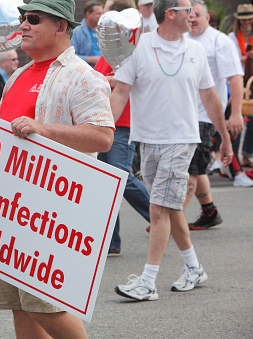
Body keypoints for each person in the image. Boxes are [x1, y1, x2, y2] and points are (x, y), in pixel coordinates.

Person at [0, 0, 114, 337]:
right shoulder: (19, 74)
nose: (22, 25)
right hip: (12, 211)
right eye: (23, 18)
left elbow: (103, 137)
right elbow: (7, 127)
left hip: (52, 215)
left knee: (46, 308)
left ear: (62, 26)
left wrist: (45, 129)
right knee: (21, 308)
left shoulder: (82, 76)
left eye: (33, 19)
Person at [111, 0, 233, 301]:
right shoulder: (138, 47)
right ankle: (194, 267)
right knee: (170, 206)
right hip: (147, 140)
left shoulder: (195, 51)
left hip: (182, 139)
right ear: (171, 14)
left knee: (157, 209)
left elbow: (210, 97)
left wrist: (225, 137)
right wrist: (103, 130)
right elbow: (121, 92)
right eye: (187, 10)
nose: (192, 16)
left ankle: (148, 282)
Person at [183, 1, 249, 231]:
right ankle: (209, 211)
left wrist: (236, 114)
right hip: (183, 115)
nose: (192, 19)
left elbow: (235, 79)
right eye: (189, 15)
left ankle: (172, 219)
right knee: (197, 166)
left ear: (208, 18)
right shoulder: (182, 39)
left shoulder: (219, 42)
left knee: (190, 167)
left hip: (206, 116)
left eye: (197, 15)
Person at [94, 0, 150, 256]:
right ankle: (111, 242)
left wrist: (98, 80)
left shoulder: (130, 43)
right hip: (106, 121)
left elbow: (128, 77)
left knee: (120, 177)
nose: (100, 17)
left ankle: (163, 216)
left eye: (105, 11)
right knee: (105, 183)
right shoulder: (110, 46)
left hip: (124, 123)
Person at [228, 4, 253, 170]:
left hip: (252, 78)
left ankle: (246, 153)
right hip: (240, 80)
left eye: (249, 19)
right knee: (240, 117)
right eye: (243, 20)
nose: (247, 22)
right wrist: (245, 57)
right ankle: (235, 158)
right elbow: (230, 57)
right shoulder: (232, 36)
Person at [69, 0, 103, 68]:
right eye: (98, 13)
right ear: (88, 14)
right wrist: (90, 59)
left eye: (102, 13)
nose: (101, 16)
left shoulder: (103, 30)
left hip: (103, 70)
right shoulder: (77, 32)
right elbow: (70, 55)